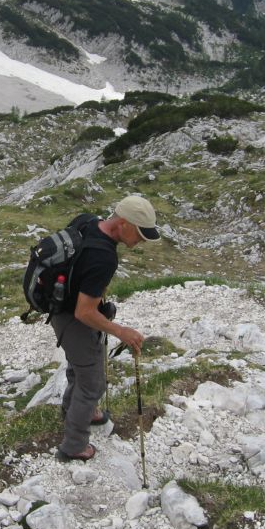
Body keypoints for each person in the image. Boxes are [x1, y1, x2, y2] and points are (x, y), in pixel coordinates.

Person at [50, 195, 160, 461]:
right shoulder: (104, 257)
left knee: (82, 364)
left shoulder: (88, 222)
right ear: (123, 223)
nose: (142, 241)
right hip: (71, 317)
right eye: (140, 234)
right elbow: (84, 312)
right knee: (93, 383)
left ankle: (75, 409)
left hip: (59, 306)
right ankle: (74, 445)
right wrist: (121, 331)